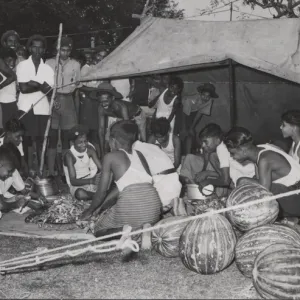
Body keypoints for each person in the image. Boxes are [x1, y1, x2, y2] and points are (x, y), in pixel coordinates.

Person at [80, 120, 162, 238]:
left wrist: (89, 211)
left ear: (113, 141)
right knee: (124, 211)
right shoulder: (140, 155)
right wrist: (100, 207)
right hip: (153, 211)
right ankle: (144, 230)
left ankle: (128, 231)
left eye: (108, 140)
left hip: (134, 206)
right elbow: (126, 186)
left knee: (99, 231)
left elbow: (102, 191)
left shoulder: (110, 157)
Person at [224, 127, 300, 223]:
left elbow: (264, 193)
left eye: (233, 153)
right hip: (292, 193)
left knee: (243, 182)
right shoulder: (260, 150)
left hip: (296, 198)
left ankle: (290, 217)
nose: (231, 157)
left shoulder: (264, 159)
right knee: (247, 181)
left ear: (242, 149)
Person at [180, 123, 256, 196]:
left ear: (217, 139)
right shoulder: (218, 150)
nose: (203, 145)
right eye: (202, 142)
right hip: (242, 179)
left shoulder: (222, 149)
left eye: (206, 142)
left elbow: (226, 181)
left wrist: (208, 181)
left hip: (248, 181)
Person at [16, 34, 54, 173]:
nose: (37, 51)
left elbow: (49, 91)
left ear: (44, 50)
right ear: (30, 48)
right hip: (25, 107)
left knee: (40, 141)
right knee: (26, 140)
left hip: (42, 108)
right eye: (34, 47)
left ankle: (41, 170)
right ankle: (26, 171)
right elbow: (24, 89)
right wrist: (40, 85)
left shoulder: (48, 69)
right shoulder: (22, 65)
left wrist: (33, 83)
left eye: (40, 48)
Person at [46, 36, 81, 177]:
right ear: (57, 49)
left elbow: (77, 84)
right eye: (62, 50)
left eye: (67, 50)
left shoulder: (75, 64)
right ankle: (51, 170)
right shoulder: (48, 63)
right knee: (52, 136)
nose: (65, 53)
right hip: (52, 99)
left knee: (67, 137)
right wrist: (52, 99)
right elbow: (45, 84)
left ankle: (66, 169)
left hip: (67, 100)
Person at [97, 82, 147, 158]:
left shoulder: (121, 106)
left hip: (138, 116)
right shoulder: (101, 108)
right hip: (122, 118)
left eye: (106, 101)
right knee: (108, 138)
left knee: (141, 142)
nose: (103, 104)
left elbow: (127, 130)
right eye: (101, 102)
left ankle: (138, 157)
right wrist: (102, 152)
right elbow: (101, 130)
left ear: (113, 98)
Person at [132, 139, 183, 214]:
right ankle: (173, 203)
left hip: (162, 189)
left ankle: (167, 205)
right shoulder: (152, 146)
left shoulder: (134, 151)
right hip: (175, 185)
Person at [63, 125, 102, 200]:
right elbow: (73, 181)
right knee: (80, 194)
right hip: (77, 186)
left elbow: (101, 168)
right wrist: (92, 181)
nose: (84, 144)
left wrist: (101, 177)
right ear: (72, 142)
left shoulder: (90, 151)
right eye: (80, 142)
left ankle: (96, 195)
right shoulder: (69, 155)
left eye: (85, 141)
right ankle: (98, 196)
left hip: (91, 181)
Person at [181, 83, 219, 155]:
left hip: (192, 113)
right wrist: (184, 128)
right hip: (182, 112)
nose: (205, 98)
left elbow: (199, 114)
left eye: (208, 96)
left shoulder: (209, 101)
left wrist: (192, 127)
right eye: (203, 95)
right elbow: (184, 113)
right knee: (183, 132)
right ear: (200, 93)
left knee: (191, 133)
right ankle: (183, 153)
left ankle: (188, 154)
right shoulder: (190, 99)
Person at [0, 48, 18, 126]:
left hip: (11, 102)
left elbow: (13, 78)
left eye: (13, 60)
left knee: (10, 128)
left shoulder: (13, 71)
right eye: (9, 60)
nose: (11, 63)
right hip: (5, 102)